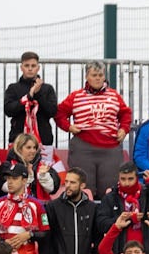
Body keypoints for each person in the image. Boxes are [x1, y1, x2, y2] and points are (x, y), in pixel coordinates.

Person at [56, 62, 131, 194]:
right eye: (94, 75)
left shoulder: (114, 96)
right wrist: (69, 127)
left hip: (110, 147)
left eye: (100, 75)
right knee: (83, 189)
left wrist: (124, 129)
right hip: (83, 147)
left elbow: (126, 113)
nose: (97, 78)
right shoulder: (76, 96)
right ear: (87, 77)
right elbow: (59, 113)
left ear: (104, 77)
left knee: (110, 190)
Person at [3, 51, 58, 149]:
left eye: (33, 66)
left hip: (43, 140)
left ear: (38, 68)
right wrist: (28, 97)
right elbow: (8, 110)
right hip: (18, 140)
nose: (30, 69)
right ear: (21, 67)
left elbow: (52, 111)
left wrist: (38, 95)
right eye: (26, 65)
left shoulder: (47, 88)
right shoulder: (13, 88)